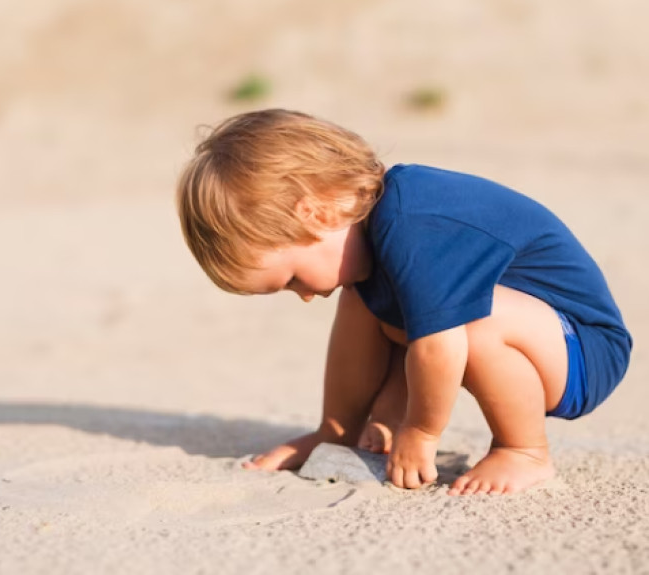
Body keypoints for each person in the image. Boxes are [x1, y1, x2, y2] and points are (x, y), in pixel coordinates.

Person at [175, 109, 632, 495]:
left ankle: (524, 449)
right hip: (527, 334)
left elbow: (439, 346)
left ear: (315, 213)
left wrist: (421, 430)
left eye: (294, 278)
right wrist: (372, 424)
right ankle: (338, 431)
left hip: (583, 349)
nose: (308, 296)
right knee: (361, 296)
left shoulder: (412, 222)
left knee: (469, 318)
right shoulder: (372, 245)